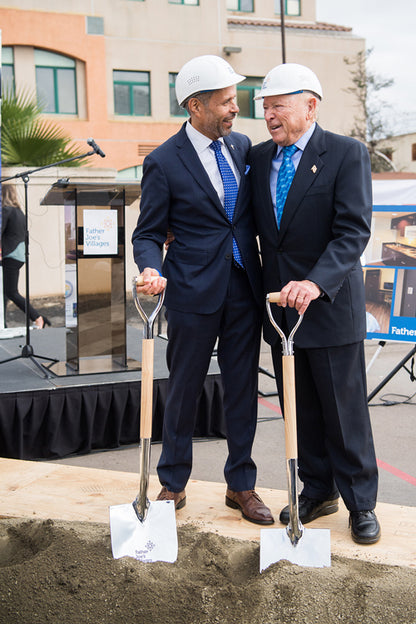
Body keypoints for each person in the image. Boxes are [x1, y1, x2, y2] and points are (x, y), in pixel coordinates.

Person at [132, 55, 273, 525]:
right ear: (195, 105)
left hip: (243, 288)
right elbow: (147, 233)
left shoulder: (241, 147)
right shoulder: (163, 162)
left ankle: (242, 485)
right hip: (191, 291)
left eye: (235, 100)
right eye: (226, 101)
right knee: (184, 390)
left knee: (241, 390)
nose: (235, 108)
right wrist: (152, 270)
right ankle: (172, 483)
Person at [249, 63, 380, 544]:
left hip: (328, 308)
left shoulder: (346, 154)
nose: (269, 115)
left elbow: (352, 233)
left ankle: (361, 503)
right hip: (282, 313)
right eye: (264, 107)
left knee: (344, 416)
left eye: (278, 105)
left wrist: (315, 282)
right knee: (298, 411)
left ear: (310, 105)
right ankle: (318, 490)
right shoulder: (261, 159)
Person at [1, 183, 50, 329]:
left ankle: (37, 317)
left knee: (11, 292)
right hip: (18, 255)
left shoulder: (6, 211)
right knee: (5, 292)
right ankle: (3, 323)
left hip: (9, 255)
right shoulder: (19, 212)